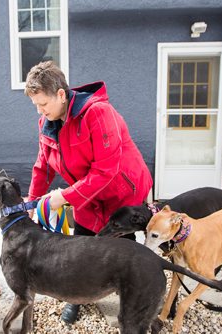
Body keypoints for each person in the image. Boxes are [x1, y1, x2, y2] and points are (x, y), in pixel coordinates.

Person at [25, 61, 153, 324]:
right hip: (87, 194)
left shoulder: (98, 113)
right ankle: (78, 298)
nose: (39, 110)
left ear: (61, 94)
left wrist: (64, 197)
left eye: (43, 104)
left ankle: (134, 300)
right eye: (36, 105)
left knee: (122, 251)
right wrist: (32, 204)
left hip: (122, 194)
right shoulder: (47, 122)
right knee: (81, 251)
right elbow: (42, 168)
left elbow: (106, 170)